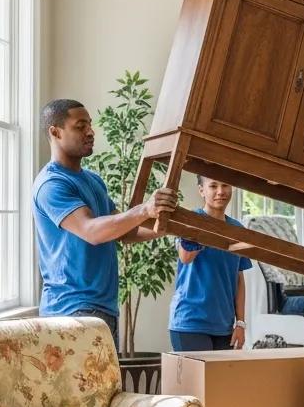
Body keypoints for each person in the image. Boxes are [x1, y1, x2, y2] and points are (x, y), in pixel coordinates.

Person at [32, 98, 175, 347]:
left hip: (103, 307)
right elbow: (91, 231)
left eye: (90, 124)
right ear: (55, 132)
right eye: (80, 126)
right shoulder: (52, 185)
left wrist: (167, 225)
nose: (90, 131)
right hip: (71, 311)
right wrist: (144, 209)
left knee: (105, 387)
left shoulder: (93, 181)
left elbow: (121, 232)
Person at [169, 176, 252, 352]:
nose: (220, 191)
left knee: (221, 380)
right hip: (190, 323)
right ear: (202, 190)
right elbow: (186, 256)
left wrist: (241, 323)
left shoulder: (237, 230)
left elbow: (239, 280)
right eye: (213, 186)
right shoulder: (190, 220)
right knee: (196, 380)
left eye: (225, 184)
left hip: (224, 326)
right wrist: (210, 229)